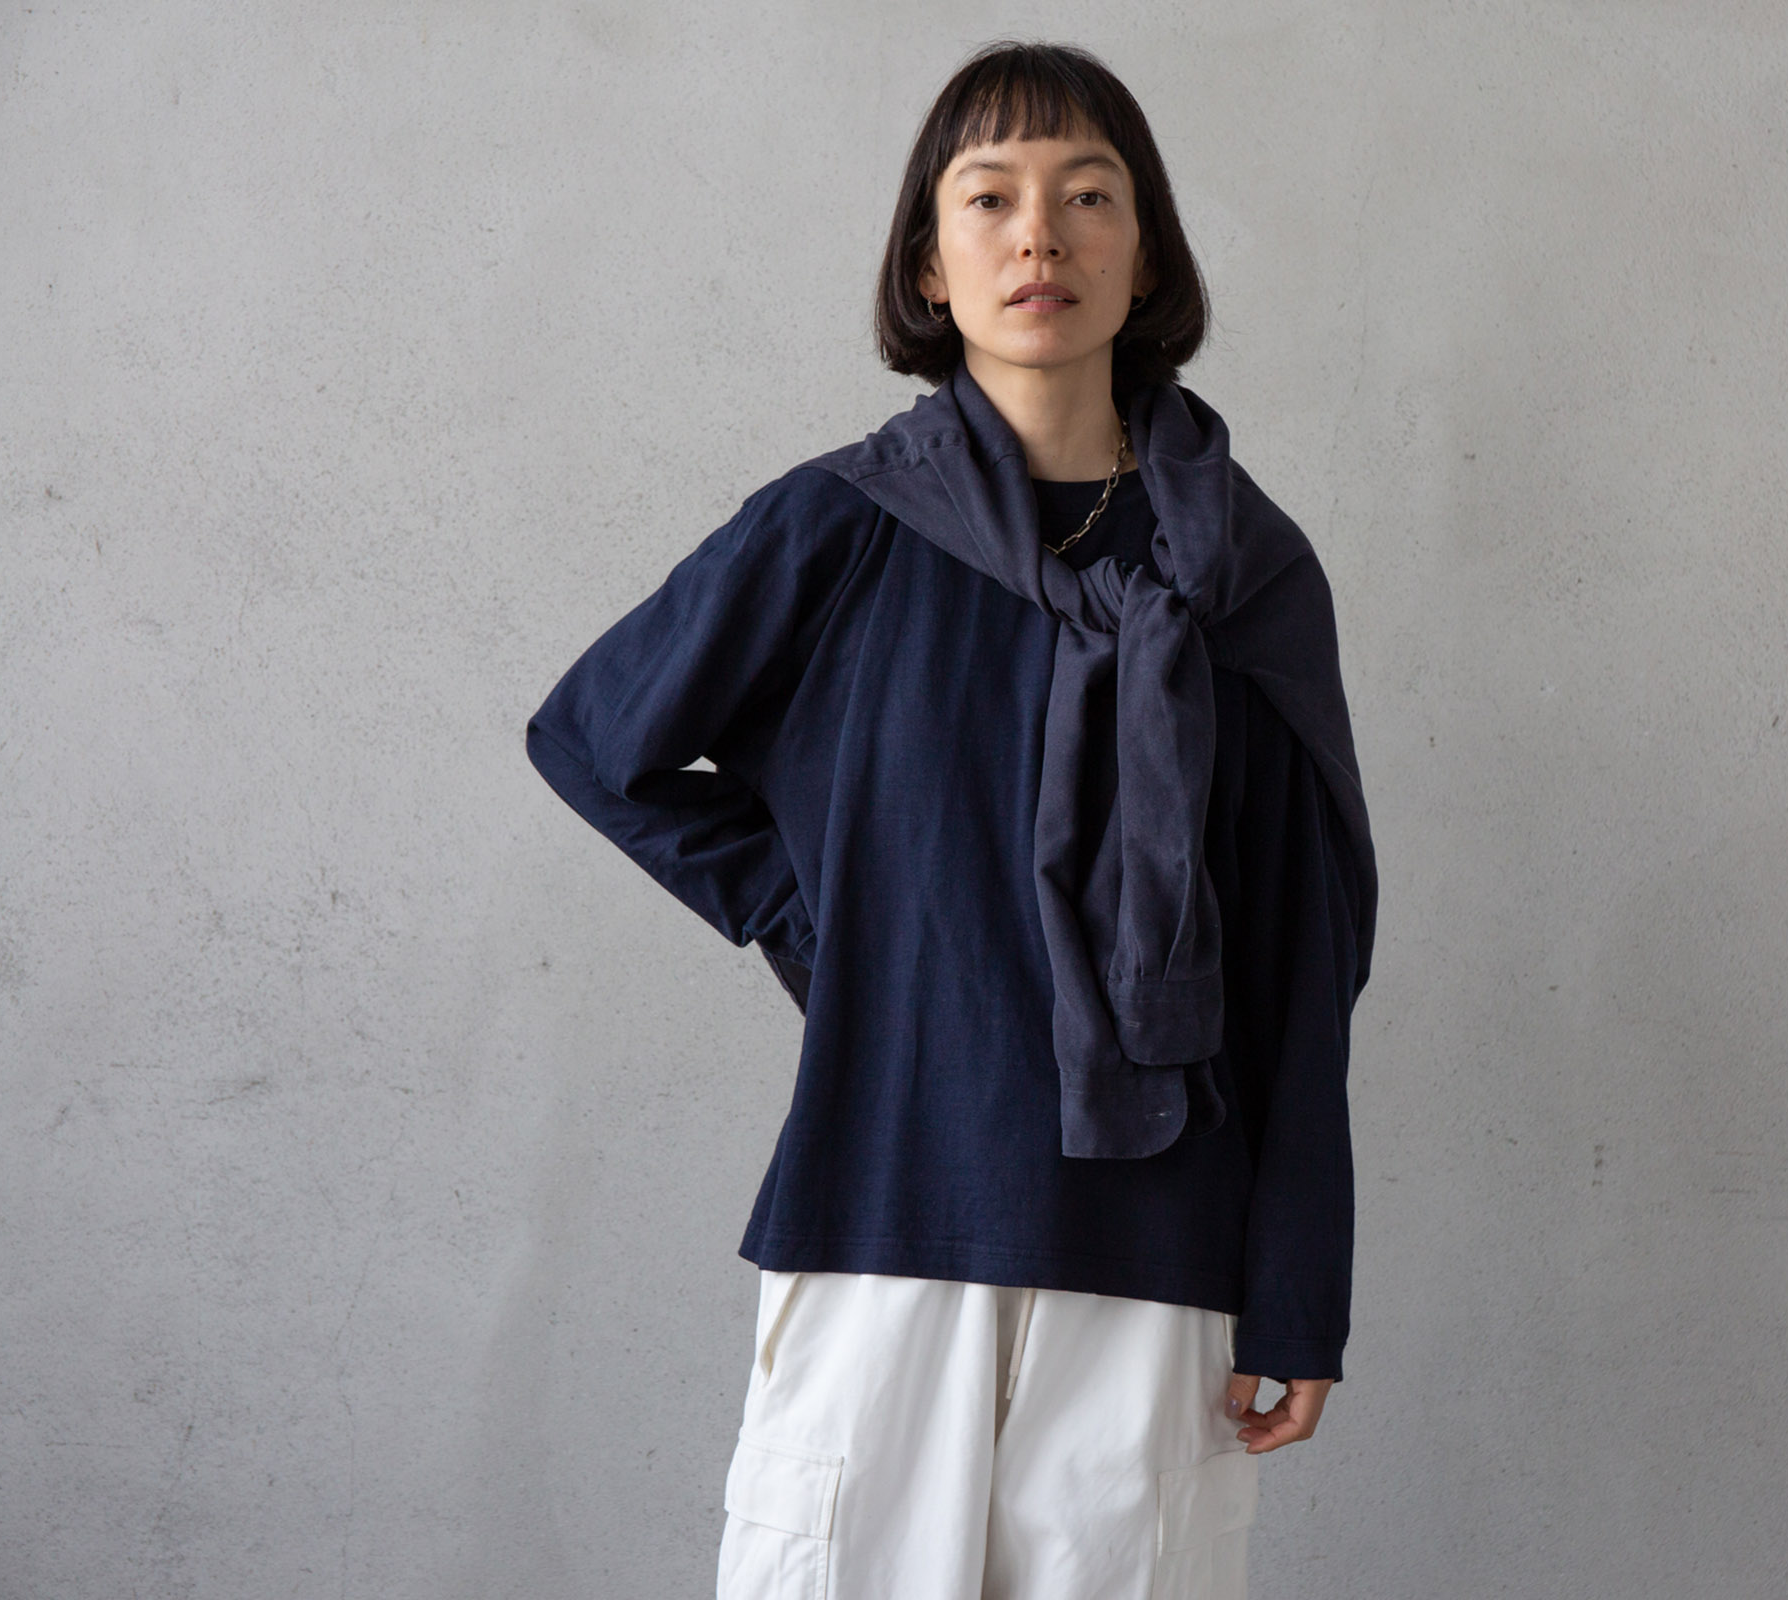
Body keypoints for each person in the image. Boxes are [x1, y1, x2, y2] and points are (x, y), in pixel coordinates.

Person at [524, 40, 1376, 1600]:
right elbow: (594, 740)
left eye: (1088, 195)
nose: (1038, 235)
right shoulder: (841, 526)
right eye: (989, 197)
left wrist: (1299, 1283)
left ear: (1146, 252)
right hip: (885, 1216)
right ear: (930, 261)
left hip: (1161, 1257)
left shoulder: (1249, 573)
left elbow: (1296, 956)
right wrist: (815, 914)